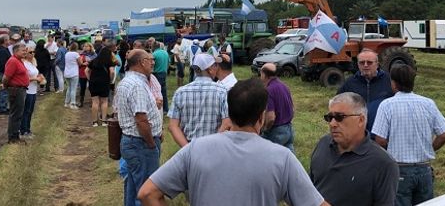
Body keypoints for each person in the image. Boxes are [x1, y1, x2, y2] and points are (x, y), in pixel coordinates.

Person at [138, 79, 328, 206]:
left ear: (229, 113)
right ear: (261, 117)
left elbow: (147, 193)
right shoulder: (282, 157)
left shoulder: (196, 148)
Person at [372, 64, 445, 206]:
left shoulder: (387, 105)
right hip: (424, 170)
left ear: (393, 83)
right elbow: (443, 136)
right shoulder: (428, 104)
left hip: (399, 170)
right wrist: (429, 149)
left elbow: (380, 140)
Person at [310, 92, 399, 206]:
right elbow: (310, 191)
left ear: (361, 120)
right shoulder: (323, 144)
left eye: (339, 117)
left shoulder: (383, 164)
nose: (332, 123)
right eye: (329, 117)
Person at [115, 49, 163, 206]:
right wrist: (150, 142)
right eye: (150, 59)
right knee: (146, 191)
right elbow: (141, 119)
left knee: (134, 186)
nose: (153, 62)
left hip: (132, 141)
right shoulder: (137, 85)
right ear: (142, 62)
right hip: (141, 143)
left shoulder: (129, 82)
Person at [168, 53, 230, 147]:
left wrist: (188, 149)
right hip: (214, 149)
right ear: (210, 70)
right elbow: (226, 123)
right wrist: (213, 146)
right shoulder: (222, 91)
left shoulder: (180, 92)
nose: (217, 68)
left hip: (189, 147)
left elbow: (173, 126)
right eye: (215, 65)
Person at [338, 48, 393, 132]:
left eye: (369, 62)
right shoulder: (349, 83)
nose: (365, 65)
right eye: (362, 63)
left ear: (377, 64)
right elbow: (338, 105)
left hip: (382, 129)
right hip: (357, 130)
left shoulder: (389, 81)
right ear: (358, 64)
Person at [259, 62, 295, 153]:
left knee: (271, 157)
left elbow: (271, 117)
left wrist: (265, 129)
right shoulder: (284, 86)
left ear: (264, 74)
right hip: (289, 128)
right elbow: (292, 108)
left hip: (277, 131)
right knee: (290, 159)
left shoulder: (269, 90)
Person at [2, 43, 30, 144]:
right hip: (16, 90)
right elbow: (6, 77)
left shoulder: (19, 61)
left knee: (18, 114)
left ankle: (15, 135)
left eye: (25, 50)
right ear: (16, 51)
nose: (25, 52)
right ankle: (13, 137)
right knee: (15, 114)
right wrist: (5, 86)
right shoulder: (13, 61)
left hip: (20, 90)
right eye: (23, 50)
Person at [20, 43, 45, 138]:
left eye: (33, 52)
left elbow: (34, 74)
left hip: (34, 90)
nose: (32, 54)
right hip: (27, 90)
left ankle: (28, 129)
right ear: (26, 53)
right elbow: (24, 78)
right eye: (30, 52)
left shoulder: (32, 63)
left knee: (30, 111)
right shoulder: (24, 64)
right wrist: (35, 79)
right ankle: (23, 131)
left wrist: (39, 76)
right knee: (26, 111)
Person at [88, 45, 116, 126]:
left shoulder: (94, 61)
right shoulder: (109, 61)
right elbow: (112, 72)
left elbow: (87, 70)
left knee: (95, 102)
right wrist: (110, 80)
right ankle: (104, 121)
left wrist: (90, 79)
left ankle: (94, 122)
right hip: (104, 82)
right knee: (104, 101)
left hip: (94, 82)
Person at [0, 34, 11, 115]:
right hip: (3, 73)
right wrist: (6, 74)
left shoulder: (5, 49)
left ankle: (4, 106)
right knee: (4, 91)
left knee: (5, 91)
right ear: (5, 41)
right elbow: (3, 64)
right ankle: (2, 108)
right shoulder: (2, 51)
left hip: (4, 73)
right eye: (8, 40)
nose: (9, 41)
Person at [152, 42, 170, 114]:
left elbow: (152, 64)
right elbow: (169, 62)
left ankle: (159, 109)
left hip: (157, 74)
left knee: (157, 92)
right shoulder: (165, 53)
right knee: (163, 92)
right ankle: (166, 109)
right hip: (164, 73)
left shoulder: (154, 54)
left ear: (154, 47)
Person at [63, 42, 81, 110]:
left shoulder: (67, 53)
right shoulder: (76, 54)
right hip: (74, 73)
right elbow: (80, 63)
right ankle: (72, 103)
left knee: (69, 88)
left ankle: (66, 102)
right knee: (73, 89)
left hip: (67, 72)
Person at [78, 42, 96, 108]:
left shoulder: (94, 55)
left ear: (90, 47)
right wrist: (82, 63)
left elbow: (96, 63)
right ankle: (81, 101)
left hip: (91, 73)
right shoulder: (81, 54)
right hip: (82, 72)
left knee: (91, 88)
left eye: (87, 46)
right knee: (82, 87)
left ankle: (93, 102)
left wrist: (89, 63)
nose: (85, 47)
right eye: (84, 46)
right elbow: (78, 63)